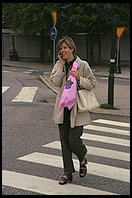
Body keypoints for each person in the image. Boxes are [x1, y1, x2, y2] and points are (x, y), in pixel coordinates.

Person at [50, 37, 96, 185]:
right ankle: (67, 173)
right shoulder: (59, 64)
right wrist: (62, 69)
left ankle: (82, 158)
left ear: (72, 49)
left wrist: (80, 78)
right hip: (63, 108)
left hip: (77, 109)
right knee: (64, 142)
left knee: (74, 141)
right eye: (61, 48)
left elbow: (92, 83)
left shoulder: (82, 65)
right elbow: (55, 82)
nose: (62, 50)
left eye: (65, 48)